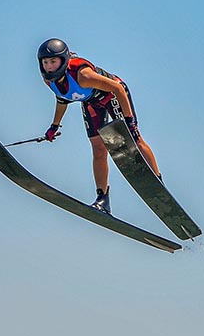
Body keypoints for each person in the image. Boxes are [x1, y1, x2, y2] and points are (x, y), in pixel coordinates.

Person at [37, 38, 160, 214]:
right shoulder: (49, 81)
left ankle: (157, 182)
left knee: (133, 139)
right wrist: (54, 126)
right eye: (46, 62)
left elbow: (117, 88)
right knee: (98, 148)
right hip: (91, 102)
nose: (49, 66)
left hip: (113, 96)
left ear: (63, 60)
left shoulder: (83, 75)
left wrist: (130, 121)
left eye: (53, 62)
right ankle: (103, 200)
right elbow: (62, 99)